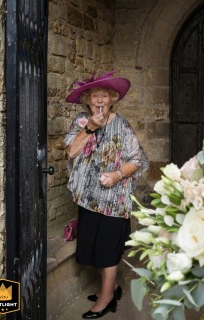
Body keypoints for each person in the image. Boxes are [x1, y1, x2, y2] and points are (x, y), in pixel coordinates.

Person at [64, 71, 149, 319]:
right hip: (89, 199)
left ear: (112, 99)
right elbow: (71, 153)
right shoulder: (81, 122)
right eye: (94, 96)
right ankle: (112, 287)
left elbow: (139, 160)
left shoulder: (121, 125)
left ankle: (106, 298)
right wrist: (90, 127)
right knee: (96, 248)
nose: (99, 100)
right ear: (88, 101)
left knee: (108, 249)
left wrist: (117, 175)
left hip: (114, 200)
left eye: (104, 96)